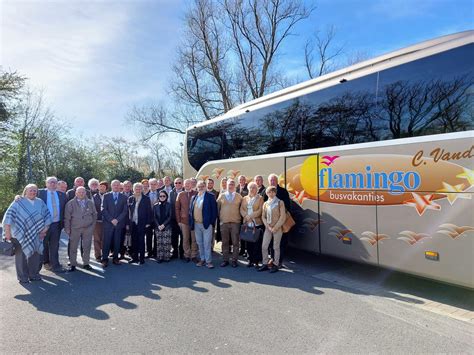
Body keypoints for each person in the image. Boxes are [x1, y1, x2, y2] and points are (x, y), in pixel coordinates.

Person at [2, 184, 51, 283]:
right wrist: (7, 233)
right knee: (21, 257)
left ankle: (34, 274)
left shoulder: (40, 202)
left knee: (35, 254)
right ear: (25, 191)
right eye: (30, 190)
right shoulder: (18, 202)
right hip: (19, 234)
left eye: (34, 190)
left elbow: (47, 217)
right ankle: (22, 277)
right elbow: (8, 217)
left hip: (37, 233)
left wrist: (44, 231)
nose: (33, 192)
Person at [38, 176, 67, 272]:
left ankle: (56, 265)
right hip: (43, 225)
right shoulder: (40, 192)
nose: (52, 184)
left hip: (56, 224)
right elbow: (27, 195)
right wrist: (17, 197)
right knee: (43, 245)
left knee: (54, 245)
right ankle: (45, 263)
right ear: (46, 183)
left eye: (55, 182)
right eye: (50, 182)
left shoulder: (62, 195)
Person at [64, 187, 97, 271]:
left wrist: (92, 226)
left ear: (85, 193)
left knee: (87, 246)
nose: (81, 194)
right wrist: (67, 228)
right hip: (75, 228)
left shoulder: (90, 202)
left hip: (88, 228)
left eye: (83, 192)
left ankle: (86, 263)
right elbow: (67, 217)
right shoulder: (70, 203)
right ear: (76, 193)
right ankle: (73, 263)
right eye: (79, 192)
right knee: (73, 247)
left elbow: (94, 214)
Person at [189, 180, 217, 269]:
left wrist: (211, 223)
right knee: (199, 243)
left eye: (202, 186)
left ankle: (208, 261)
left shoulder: (210, 196)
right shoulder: (194, 197)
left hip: (206, 224)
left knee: (207, 243)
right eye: (199, 186)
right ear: (197, 187)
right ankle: (202, 259)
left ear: (205, 187)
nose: (200, 188)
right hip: (196, 224)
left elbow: (214, 211)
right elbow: (190, 211)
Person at [259, 186, 286, 273]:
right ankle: (265, 263)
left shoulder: (280, 202)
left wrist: (276, 227)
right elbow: (263, 216)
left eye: (273, 192)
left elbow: (283, 217)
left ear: (275, 193)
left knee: (276, 247)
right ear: (267, 193)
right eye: (269, 192)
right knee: (264, 246)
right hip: (268, 228)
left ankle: (275, 264)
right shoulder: (265, 203)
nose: (271, 194)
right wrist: (268, 226)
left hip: (277, 228)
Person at [101, 180, 128, 267]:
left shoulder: (124, 197)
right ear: (111, 186)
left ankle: (116, 258)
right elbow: (103, 209)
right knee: (106, 242)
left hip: (119, 224)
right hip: (108, 223)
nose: (116, 187)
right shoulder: (106, 196)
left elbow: (125, 211)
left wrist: (117, 220)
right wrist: (111, 219)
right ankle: (104, 259)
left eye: (117, 185)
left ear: (120, 186)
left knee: (117, 241)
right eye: (114, 185)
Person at [267, 173, 291, 268]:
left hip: (280, 222)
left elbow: (287, 206)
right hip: (270, 222)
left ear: (277, 181)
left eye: (274, 180)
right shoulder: (266, 191)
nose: (272, 181)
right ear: (269, 182)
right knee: (271, 242)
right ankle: (273, 259)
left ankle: (279, 261)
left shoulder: (283, 191)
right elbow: (264, 206)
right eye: (271, 180)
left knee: (280, 242)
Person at [217, 179, 242, 268]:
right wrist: (220, 220)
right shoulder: (221, 196)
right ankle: (225, 259)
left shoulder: (239, 197)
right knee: (225, 242)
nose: (230, 186)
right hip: (224, 223)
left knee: (235, 242)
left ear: (234, 186)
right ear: (226, 185)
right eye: (229, 184)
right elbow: (218, 209)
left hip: (236, 222)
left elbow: (241, 209)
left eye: (232, 184)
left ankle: (234, 260)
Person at [240, 182, 264, 268]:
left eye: (254, 187)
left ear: (257, 189)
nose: (252, 189)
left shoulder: (260, 198)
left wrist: (251, 216)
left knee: (257, 243)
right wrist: (246, 216)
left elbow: (260, 210)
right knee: (248, 242)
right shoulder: (244, 198)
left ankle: (256, 261)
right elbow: (242, 209)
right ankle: (250, 260)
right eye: (250, 187)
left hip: (256, 223)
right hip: (247, 223)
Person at [127, 183, 152, 264]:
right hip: (133, 223)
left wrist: (148, 222)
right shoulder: (131, 198)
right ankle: (135, 258)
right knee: (134, 241)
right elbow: (128, 212)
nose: (137, 190)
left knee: (141, 241)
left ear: (141, 189)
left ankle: (141, 258)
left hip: (142, 223)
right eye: (136, 189)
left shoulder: (146, 199)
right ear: (133, 190)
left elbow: (149, 211)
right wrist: (128, 223)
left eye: (139, 189)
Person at [175, 179, 198, 263]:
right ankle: (187, 255)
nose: (188, 185)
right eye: (186, 184)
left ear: (191, 185)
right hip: (184, 221)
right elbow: (177, 208)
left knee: (194, 239)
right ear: (184, 185)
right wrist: (179, 221)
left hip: (194, 220)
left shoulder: (196, 193)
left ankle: (194, 255)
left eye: (189, 183)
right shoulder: (180, 194)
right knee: (185, 239)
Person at [154, 190, 173, 263]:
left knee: (166, 242)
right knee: (159, 242)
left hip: (167, 226)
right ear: (158, 197)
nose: (162, 197)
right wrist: (158, 225)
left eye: (163, 196)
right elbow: (154, 217)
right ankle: (160, 257)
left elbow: (170, 216)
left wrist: (163, 225)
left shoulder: (169, 205)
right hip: (158, 227)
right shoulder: (155, 206)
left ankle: (166, 257)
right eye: (160, 196)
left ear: (166, 197)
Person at [92, 181, 108, 261]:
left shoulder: (109, 196)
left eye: (103, 187)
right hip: (97, 221)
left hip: (107, 221)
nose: (101, 188)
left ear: (106, 188)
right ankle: (98, 255)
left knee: (105, 239)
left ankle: (105, 255)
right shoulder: (94, 197)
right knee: (97, 239)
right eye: (100, 186)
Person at [169, 178, 184, 259]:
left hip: (183, 219)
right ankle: (175, 253)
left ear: (182, 184)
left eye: (179, 183)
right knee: (174, 237)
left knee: (183, 237)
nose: (178, 184)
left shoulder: (185, 192)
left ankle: (182, 253)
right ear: (174, 184)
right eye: (176, 183)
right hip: (173, 219)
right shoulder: (171, 193)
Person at [145, 178, 160, 258]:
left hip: (158, 219)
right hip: (148, 218)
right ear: (149, 185)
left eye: (155, 184)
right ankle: (149, 251)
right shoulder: (145, 195)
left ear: (157, 185)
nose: (153, 186)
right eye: (151, 184)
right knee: (148, 235)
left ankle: (156, 251)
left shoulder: (161, 194)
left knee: (157, 235)